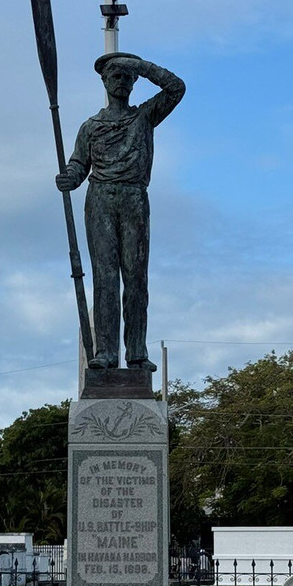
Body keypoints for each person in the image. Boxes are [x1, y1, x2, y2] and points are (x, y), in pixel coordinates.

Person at [55, 52, 185, 371]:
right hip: (100, 198)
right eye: (116, 76)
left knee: (136, 278)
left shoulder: (145, 116)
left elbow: (176, 88)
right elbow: (79, 164)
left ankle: (136, 350)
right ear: (104, 81)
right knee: (106, 279)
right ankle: (106, 352)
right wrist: (69, 177)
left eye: (128, 77)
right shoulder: (91, 126)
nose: (122, 82)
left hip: (134, 198)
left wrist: (139, 65)